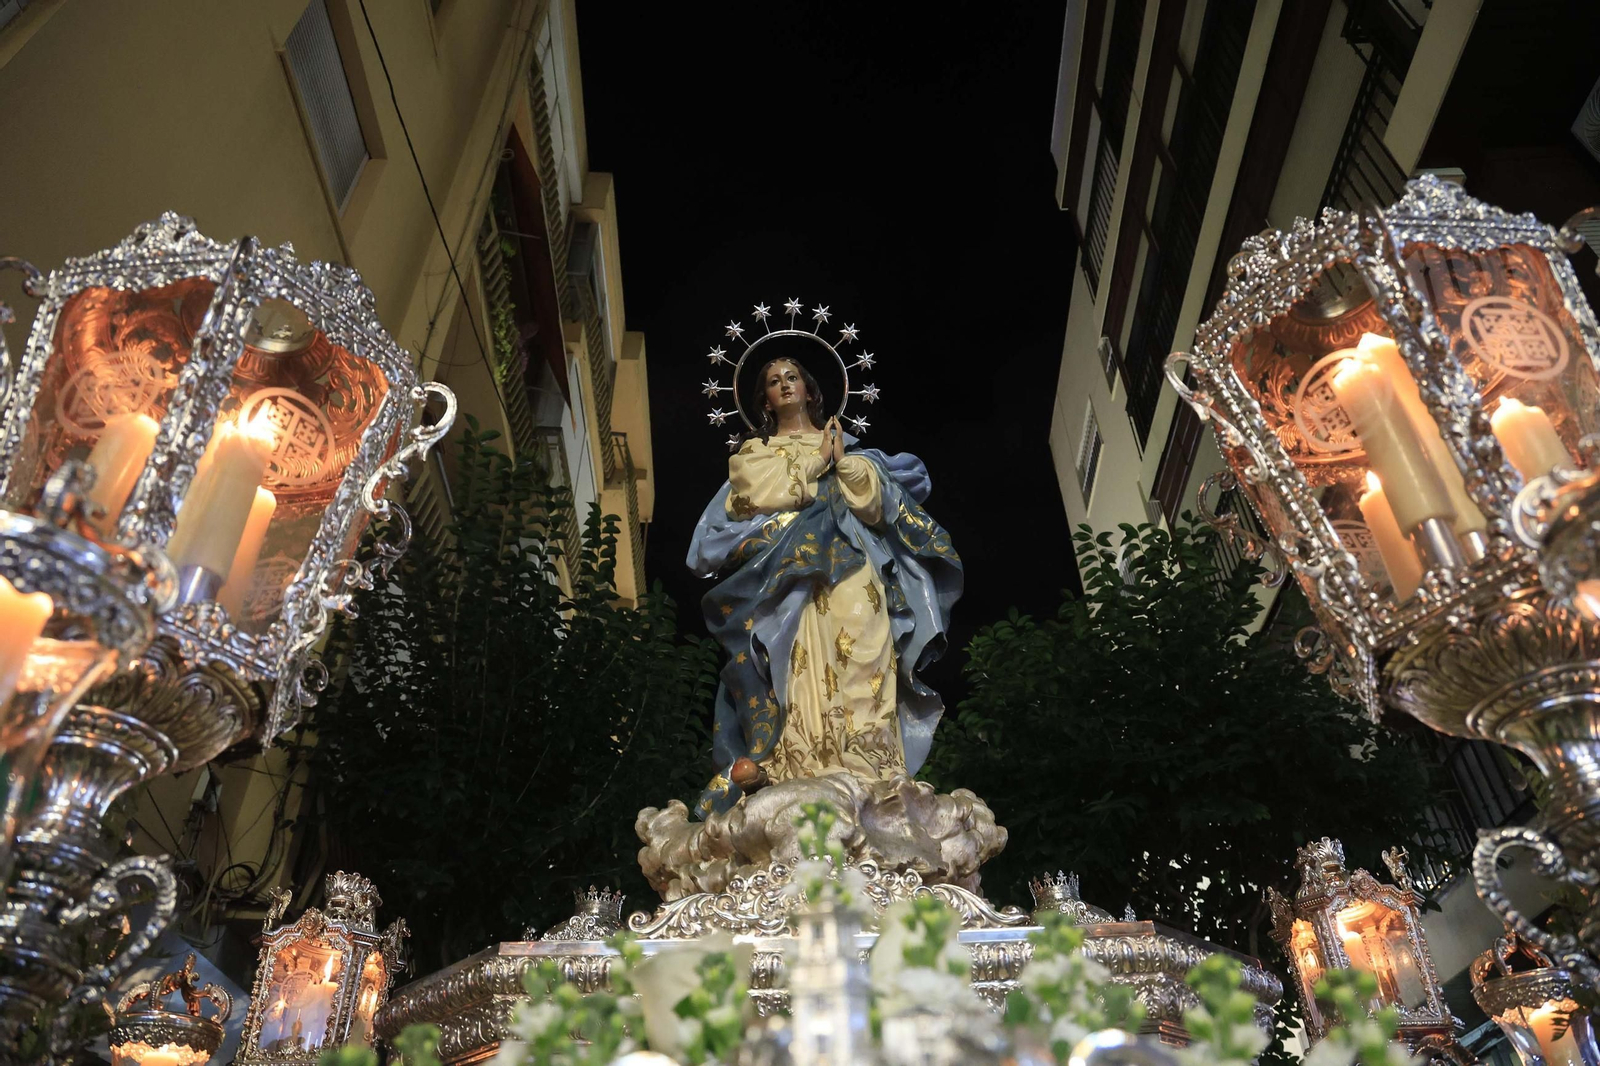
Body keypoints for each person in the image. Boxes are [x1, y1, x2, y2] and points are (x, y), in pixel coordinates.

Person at [686, 355, 962, 816]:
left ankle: (870, 760)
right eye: (774, 382)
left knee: (865, 646)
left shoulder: (849, 448)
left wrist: (843, 462)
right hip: (784, 576)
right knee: (795, 663)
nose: (785, 385)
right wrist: (815, 465)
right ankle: (801, 762)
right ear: (765, 401)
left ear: (810, 390)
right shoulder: (755, 456)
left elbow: (876, 507)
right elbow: (752, 497)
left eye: (792, 377)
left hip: (852, 562)